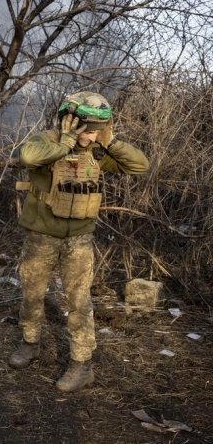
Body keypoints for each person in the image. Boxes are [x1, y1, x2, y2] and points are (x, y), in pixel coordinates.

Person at [10, 92, 149, 392]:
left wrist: (110, 142)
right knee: (32, 294)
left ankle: (82, 365)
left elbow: (140, 165)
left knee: (79, 301)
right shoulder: (48, 141)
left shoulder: (98, 151)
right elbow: (28, 157)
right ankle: (30, 343)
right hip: (41, 235)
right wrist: (65, 143)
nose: (92, 136)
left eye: (97, 130)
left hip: (79, 238)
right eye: (88, 130)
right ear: (70, 123)